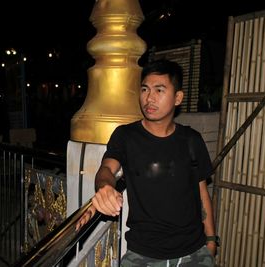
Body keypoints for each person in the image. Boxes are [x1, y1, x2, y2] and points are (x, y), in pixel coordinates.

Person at [78, 59, 218, 266]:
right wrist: (105, 187)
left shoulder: (192, 140)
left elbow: (202, 192)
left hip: (194, 252)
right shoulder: (126, 136)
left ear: (178, 97)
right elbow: (107, 168)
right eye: (145, 89)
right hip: (143, 254)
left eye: (159, 90)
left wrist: (211, 240)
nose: (149, 98)